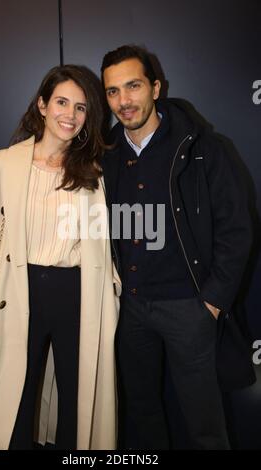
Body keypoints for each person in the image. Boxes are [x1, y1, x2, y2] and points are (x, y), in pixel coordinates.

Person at [101, 45, 253, 449]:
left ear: (155, 87)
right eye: (113, 91)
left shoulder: (203, 147)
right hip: (129, 309)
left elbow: (237, 229)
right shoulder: (106, 156)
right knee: (143, 414)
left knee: (205, 423)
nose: (123, 101)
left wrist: (213, 302)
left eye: (132, 86)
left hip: (189, 307)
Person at [0, 65, 121, 450]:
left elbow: (103, 244)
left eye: (81, 108)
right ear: (42, 105)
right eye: (62, 103)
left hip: (77, 294)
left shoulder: (94, 171)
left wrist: (112, 292)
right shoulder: (1, 165)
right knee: (14, 401)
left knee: (79, 400)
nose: (70, 115)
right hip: (19, 293)